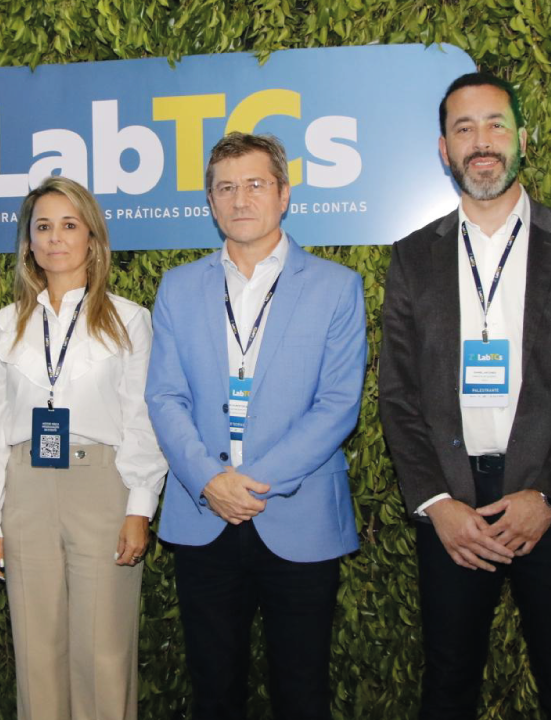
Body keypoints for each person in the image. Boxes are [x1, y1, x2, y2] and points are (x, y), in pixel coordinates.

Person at [378, 72, 551, 720]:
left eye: (494, 124)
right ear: (443, 149)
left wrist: (548, 495)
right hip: (452, 508)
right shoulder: (411, 257)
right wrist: (437, 504)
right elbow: (398, 395)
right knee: (448, 682)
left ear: (522, 138)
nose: (480, 141)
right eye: (464, 128)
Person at [144, 132, 366, 720]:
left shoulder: (337, 287)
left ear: (284, 193)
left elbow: (339, 404)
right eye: (225, 187)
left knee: (302, 691)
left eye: (255, 185)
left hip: (299, 516)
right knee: (214, 692)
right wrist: (210, 480)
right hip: (203, 515)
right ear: (210, 201)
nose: (240, 199)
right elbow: (165, 396)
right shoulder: (177, 286)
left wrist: (251, 483)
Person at [0, 176, 166, 720]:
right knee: (35, 653)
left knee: (103, 653)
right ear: (28, 243)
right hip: (23, 490)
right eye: (43, 226)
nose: (56, 238)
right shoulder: (7, 324)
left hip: (103, 487)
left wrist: (139, 507)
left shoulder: (130, 319)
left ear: (93, 240)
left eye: (69, 225)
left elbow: (142, 420)